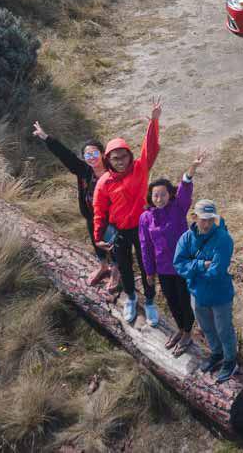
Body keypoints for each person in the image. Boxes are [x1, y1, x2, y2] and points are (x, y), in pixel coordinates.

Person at [93, 99, 162, 324]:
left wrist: (153, 122)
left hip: (142, 229)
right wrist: (98, 237)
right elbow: (99, 211)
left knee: (147, 266)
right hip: (119, 232)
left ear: (130, 156)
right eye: (115, 158)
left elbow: (150, 148)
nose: (120, 161)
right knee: (124, 266)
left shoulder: (141, 168)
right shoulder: (104, 182)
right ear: (108, 160)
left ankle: (150, 302)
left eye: (124, 156)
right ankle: (131, 298)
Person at [31, 121, 114, 289]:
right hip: (92, 217)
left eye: (95, 153)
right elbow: (66, 155)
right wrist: (46, 138)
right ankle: (103, 267)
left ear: (103, 154)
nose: (92, 158)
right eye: (87, 155)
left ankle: (117, 272)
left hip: (112, 218)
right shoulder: (83, 170)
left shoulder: (113, 172)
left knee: (115, 245)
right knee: (96, 241)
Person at [139, 149, 206, 353]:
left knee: (185, 301)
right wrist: (149, 272)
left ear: (170, 195)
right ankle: (180, 328)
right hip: (164, 268)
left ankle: (187, 333)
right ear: (151, 197)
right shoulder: (145, 218)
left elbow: (185, 189)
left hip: (184, 265)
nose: (159, 198)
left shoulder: (178, 208)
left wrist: (191, 169)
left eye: (163, 194)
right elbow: (145, 246)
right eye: (155, 195)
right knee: (171, 301)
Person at [174, 199, 238, 383]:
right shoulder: (186, 238)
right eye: (204, 219)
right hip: (197, 294)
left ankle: (231, 360)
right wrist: (201, 264)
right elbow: (178, 264)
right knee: (207, 328)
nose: (208, 223)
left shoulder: (224, 239)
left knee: (224, 328)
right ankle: (217, 353)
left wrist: (192, 269)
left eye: (211, 219)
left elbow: (217, 271)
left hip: (220, 295)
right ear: (194, 217)